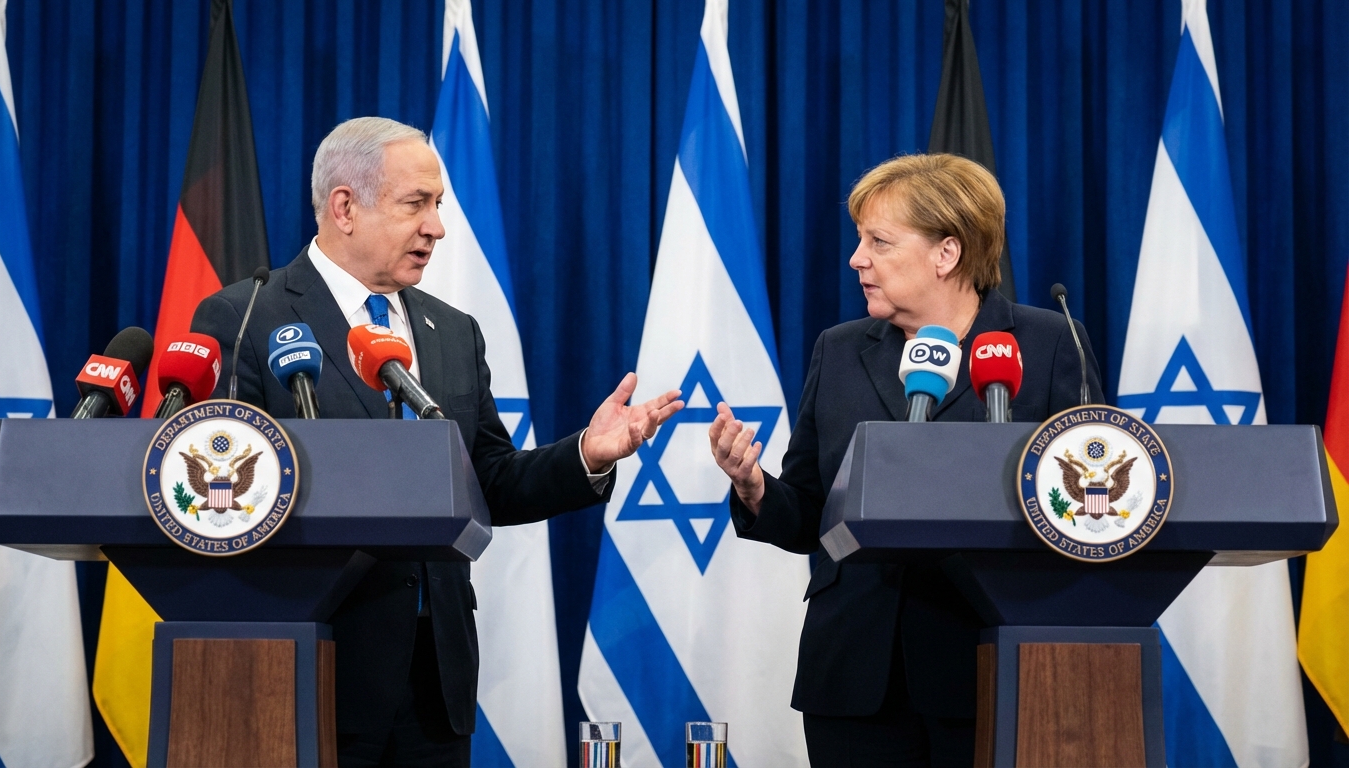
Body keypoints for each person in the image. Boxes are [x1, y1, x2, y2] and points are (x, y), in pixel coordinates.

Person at [191, 117, 684, 767]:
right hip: (311, 670)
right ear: (344, 207)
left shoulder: (450, 331)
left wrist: (586, 455)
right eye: (415, 204)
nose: (437, 227)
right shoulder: (248, 317)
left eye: (439, 206)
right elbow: (228, 504)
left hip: (435, 683)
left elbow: (489, 479)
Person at [708, 153, 1104, 766]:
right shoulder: (839, 351)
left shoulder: (1049, 345)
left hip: (990, 663)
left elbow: (1090, 508)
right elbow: (812, 511)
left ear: (946, 254)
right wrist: (756, 488)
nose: (856, 259)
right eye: (858, 240)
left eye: (879, 242)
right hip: (856, 674)